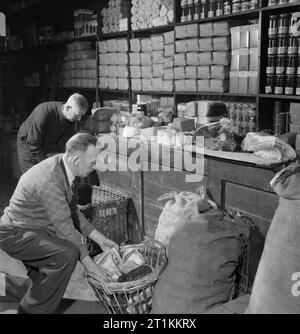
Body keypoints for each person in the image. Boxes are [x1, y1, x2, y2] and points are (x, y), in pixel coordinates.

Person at [0, 133, 118, 314]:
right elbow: (65, 227)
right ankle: (30, 310)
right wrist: (91, 266)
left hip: (36, 228)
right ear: (77, 160)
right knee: (67, 253)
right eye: (92, 162)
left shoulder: (62, 165)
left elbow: (72, 210)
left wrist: (99, 237)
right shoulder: (49, 179)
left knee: (57, 258)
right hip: (14, 232)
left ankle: (24, 289)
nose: (94, 167)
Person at [17, 93, 89, 174]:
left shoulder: (71, 119)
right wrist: (48, 165)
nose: (79, 119)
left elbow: (64, 144)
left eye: (81, 116)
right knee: (33, 178)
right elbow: (33, 144)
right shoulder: (44, 112)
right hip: (28, 145)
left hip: (48, 143)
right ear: (68, 108)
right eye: (77, 115)